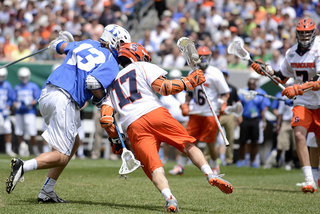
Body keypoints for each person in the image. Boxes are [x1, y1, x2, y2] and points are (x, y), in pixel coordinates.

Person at [100, 43, 233, 212]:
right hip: (155, 113)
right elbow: (165, 88)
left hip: (133, 126)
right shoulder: (142, 66)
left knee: (155, 168)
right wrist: (190, 81)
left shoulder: (112, 84)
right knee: (187, 145)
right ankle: (210, 174)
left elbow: (106, 119)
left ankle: (170, 199)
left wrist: (116, 141)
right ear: (138, 54)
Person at [5, 25, 131, 202]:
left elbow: (58, 46)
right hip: (64, 98)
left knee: (73, 144)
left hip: (48, 92)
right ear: (114, 41)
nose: (123, 49)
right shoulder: (110, 61)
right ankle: (23, 166)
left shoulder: (87, 43)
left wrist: (59, 42)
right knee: (61, 155)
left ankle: (47, 191)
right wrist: (101, 100)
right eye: (122, 44)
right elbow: (94, 84)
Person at [251, 18, 319, 193]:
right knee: (298, 135)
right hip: (303, 102)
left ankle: (316, 176)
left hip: (318, 100)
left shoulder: (318, 49)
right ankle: (309, 180)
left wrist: (298, 88)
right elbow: (282, 77)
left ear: (313, 32)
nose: (304, 36)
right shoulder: (291, 53)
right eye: (301, 33)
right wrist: (267, 70)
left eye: (307, 32)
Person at [169, 46, 230, 176]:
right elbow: (189, 93)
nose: (203, 60)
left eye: (205, 57)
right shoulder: (193, 72)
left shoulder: (215, 73)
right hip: (196, 113)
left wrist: (222, 104)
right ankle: (181, 166)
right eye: (200, 57)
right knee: (187, 141)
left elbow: (225, 93)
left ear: (210, 57)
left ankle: (215, 167)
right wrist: (186, 104)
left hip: (210, 113)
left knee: (210, 143)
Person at [237, 73, 270, 168]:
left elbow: (263, 109)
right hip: (245, 118)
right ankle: (241, 160)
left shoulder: (260, 93)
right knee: (243, 141)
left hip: (255, 119)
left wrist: (264, 121)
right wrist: (238, 117)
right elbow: (239, 105)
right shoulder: (243, 92)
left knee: (255, 141)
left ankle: (253, 160)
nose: (252, 86)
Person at [159, 69, 188, 164]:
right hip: (170, 121)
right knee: (167, 141)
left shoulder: (184, 94)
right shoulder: (165, 95)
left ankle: (178, 158)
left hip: (183, 120)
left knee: (181, 141)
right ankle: (165, 158)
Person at [13, 67, 41, 157]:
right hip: (19, 112)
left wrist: (30, 103)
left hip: (30, 112)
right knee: (19, 132)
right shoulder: (17, 87)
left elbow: (37, 98)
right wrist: (16, 105)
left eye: (25, 77)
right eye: (22, 77)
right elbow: (14, 100)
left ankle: (35, 150)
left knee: (32, 132)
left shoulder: (33, 86)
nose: (24, 79)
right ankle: (22, 149)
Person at [0, 68, 16, 157]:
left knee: (8, 129)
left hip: (4, 112)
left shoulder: (7, 85)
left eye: (2, 76)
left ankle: (8, 149)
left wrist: (8, 107)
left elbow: (10, 98)